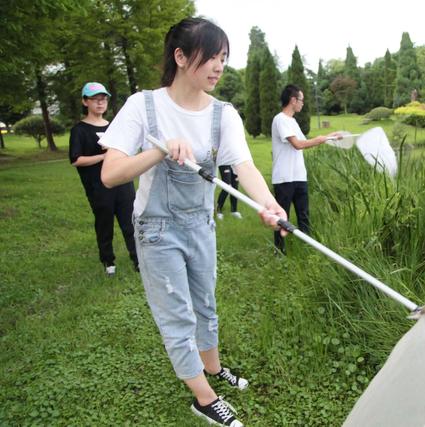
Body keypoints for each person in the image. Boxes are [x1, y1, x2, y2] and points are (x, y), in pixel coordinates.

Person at [100, 18, 286, 427]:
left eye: (224, 58)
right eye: (212, 57)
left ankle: (214, 369)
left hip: (201, 225)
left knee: (206, 305)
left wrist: (270, 205)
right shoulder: (143, 106)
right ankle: (203, 398)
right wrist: (160, 150)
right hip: (157, 231)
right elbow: (111, 174)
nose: (220, 66)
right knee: (178, 315)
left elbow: (244, 166)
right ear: (181, 57)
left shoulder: (223, 114)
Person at [69, 82, 138, 276]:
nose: (100, 103)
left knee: (131, 222)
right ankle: (108, 262)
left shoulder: (114, 126)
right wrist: (103, 156)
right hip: (98, 186)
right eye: (95, 99)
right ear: (85, 102)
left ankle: (138, 260)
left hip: (123, 183)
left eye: (103, 99)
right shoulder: (79, 130)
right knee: (104, 224)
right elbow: (76, 160)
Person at [271, 84, 341, 253]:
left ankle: (309, 250)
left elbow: (305, 141)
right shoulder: (280, 119)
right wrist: (321, 139)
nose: (303, 103)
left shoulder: (293, 121)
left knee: (304, 216)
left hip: (299, 176)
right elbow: (298, 144)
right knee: (282, 217)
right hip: (284, 178)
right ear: (293, 100)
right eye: (301, 100)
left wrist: (330, 137)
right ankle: (279, 251)